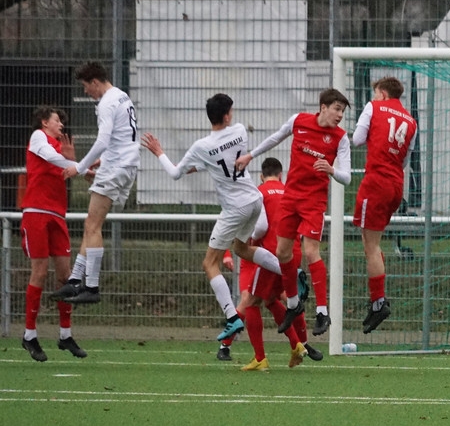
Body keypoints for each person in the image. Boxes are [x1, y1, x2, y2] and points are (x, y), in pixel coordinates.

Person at [140, 93, 284, 345]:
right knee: (241, 249)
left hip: (234, 208)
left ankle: (231, 317)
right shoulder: (240, 131)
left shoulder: (202, 146)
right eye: (231, 111)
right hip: (254, 201)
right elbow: (221, 160)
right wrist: (201, 165)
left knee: (209, 263)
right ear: (226, 116)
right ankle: (291, 271)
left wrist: (159, 152)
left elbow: (175, 173)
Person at [234, 89, 352, 336]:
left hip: (314, 202)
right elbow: (275, 138)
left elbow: (347, 178)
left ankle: (322, 312)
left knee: (310, 251)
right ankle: (293, 303)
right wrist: (251, 155)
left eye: (342, 111)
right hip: (290, 198)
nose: (340, 115)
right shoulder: (299, 121)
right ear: (323, 107)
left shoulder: (340, 138)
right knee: (282, 252)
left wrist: (331, 170)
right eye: (337, 109)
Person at [219, 157, 323, 369]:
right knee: (273, 299)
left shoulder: (259, 193)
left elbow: (260, 228)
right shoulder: (291, 192)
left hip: (271, 255)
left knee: (251, 302)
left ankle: (260, 358)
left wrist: (249, 242)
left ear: (261, 176)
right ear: (281, 175)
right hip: (293, 253)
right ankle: (298, 345)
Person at [51, 62, 140, 305]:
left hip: (117, 167)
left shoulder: (107, 103)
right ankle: (75, 281)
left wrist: (79, 167)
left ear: (95, 82)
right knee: (91, 224)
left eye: (85, 86)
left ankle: (91, 287)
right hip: (125, 164)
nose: (85, 91)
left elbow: (102, 141)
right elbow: (121, 138)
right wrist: (103, 160)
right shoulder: (121, 96)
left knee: (92, 225)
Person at [20, 106, 87, 361]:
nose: (61, 125)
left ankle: (65, 335)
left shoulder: (62, 150)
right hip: (36, 212)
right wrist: (77, 163)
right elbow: (53, 158)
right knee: (39, 271)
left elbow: (72, 170)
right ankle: (29, 335)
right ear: (44, 121)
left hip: (58, 215)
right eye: (57, 120)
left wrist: (83, 164)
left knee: (65, 276)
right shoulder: (39, 137)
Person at [353, 76, 417, 334]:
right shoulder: (411, 121)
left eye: (375, 93)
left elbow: (357, 139)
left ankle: (378, 302)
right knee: (373, 242)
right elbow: (405, 159)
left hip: (376, 182)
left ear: (381, 93)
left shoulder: (373, 107)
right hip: (396, 186)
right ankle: (377, 298)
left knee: (371, 246)